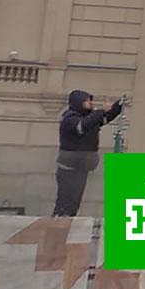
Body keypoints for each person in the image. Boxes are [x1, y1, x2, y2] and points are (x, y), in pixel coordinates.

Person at [53, 89, 126, 217]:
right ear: (78, 102)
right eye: (87, 101)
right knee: (65, 204)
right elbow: (82, 126)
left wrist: (118, 105)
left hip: (81, 168)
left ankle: (65, 226)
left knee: (74, 203)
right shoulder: (70, 118)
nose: (91, 103)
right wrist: (100, 111)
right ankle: (56, 228)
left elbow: (105, 118)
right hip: (69, 169)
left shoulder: (90, 117)